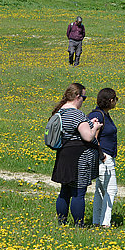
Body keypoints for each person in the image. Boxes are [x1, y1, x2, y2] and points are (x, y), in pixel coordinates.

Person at [50, 83, 102, 227]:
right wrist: (95, 127)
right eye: (83, 98)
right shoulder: (76, 113)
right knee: (78, 193)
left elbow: (73, 130)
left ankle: (62, 222)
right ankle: (79, 224)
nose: (83, 101)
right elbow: (87, 137)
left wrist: (88, 123)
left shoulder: (60, 111)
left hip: (64, 154)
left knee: (64, 191)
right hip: (79, 157)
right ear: (77, 96)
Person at [88, 88, 119, 228]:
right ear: (111, 100)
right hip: (104, 157)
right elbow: (92, 138)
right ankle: (105, 222)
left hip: (104, 156)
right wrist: (102, 156)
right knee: (111, 189)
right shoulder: (99, 116)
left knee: (100, 190)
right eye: (115, 99)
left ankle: (97, 220)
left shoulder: (103, 114)